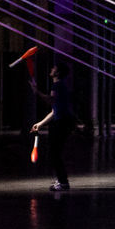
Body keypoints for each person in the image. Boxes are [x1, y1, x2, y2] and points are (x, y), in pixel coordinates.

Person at [31, 60, 77, 191]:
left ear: (57, 72)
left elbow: (50, 100)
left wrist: (36, 92)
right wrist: (39, 124)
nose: (51, 68)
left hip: (62, 123)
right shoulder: (60, 85)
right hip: (63, 121)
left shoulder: (57, 86)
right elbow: (53, 111)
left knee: (54, 153)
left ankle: (63, 182)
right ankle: (61, 180)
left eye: (54, 67)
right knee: (55, 153)